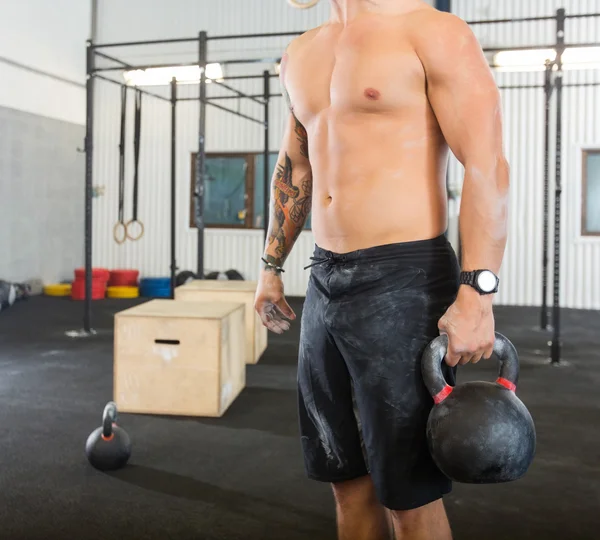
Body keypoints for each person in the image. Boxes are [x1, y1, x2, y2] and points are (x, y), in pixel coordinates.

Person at [254, 0, 509, 538]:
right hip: (325, 278)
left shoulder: (432, 32)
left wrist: (477, 293)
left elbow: (487, 165)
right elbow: (296, 168)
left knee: (407, 495)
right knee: (344, 478)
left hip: (406, 279)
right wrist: (271, 264)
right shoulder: (301, 52)